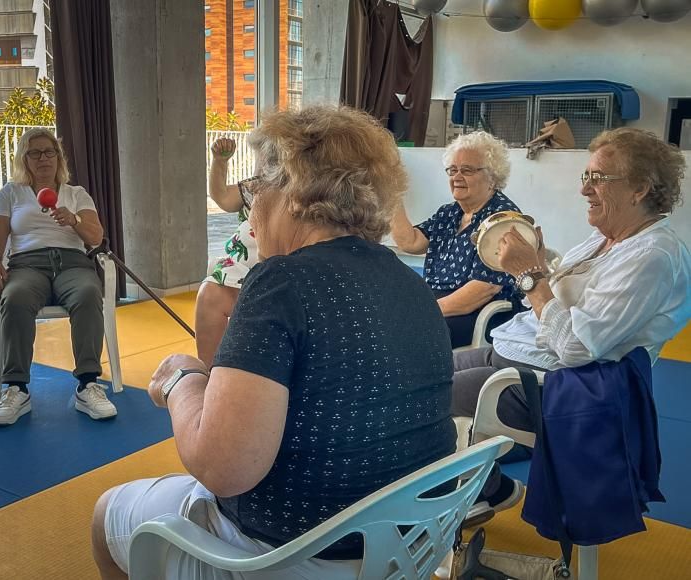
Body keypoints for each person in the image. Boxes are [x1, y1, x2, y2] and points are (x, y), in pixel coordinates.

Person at [91, 106, 456, 579]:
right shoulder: (409, 283)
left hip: (288, 556)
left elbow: (222, 467)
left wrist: (183, 379)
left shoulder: (280, 281)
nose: (253, 201)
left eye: (260, 184)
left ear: (296, 193)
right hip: (404, 548)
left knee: (105, 514)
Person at [455, 127, 691, 518]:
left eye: (599, 179)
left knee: (421, 395)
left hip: (557, 387)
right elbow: (566, 294)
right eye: (587, 177)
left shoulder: (653, 257)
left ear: (640, 190)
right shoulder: (607, 239)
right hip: (517, 358)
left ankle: (481, 491)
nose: (585, 189)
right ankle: (483, 485)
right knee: (423, 372)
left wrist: (529, 274)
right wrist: (540, 261)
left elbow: (577, 347)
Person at [0, 128, 117, 426]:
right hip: (27, 265)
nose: (43, 158)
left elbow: (96, 237)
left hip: (72, 264)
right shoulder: (11, 193)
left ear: (58, 157)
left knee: (87, 294)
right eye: (34, 153)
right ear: (25, 159)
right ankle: (16, 388)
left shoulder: (76, 193)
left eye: (49, 151)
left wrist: (75, 219)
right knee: (14, 297)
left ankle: (88, 385)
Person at [390, 131, 524, 349]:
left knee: (405, 335)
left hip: (478, 313)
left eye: (467, 170)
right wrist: (391, 195)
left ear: (492, 177)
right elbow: (411, 242)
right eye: (452, 170)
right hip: (440, 303)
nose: (457, 177)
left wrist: (424, 310)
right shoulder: (450, 213)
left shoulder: (502, 218)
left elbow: (483, 289)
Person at [195, 137, 259, 367]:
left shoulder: (311, 192)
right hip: (243, 268)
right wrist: (220, 163)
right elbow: (221, 196)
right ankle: (211, 373)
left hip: (286, 268)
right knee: (210, 295)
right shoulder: (254, 187)